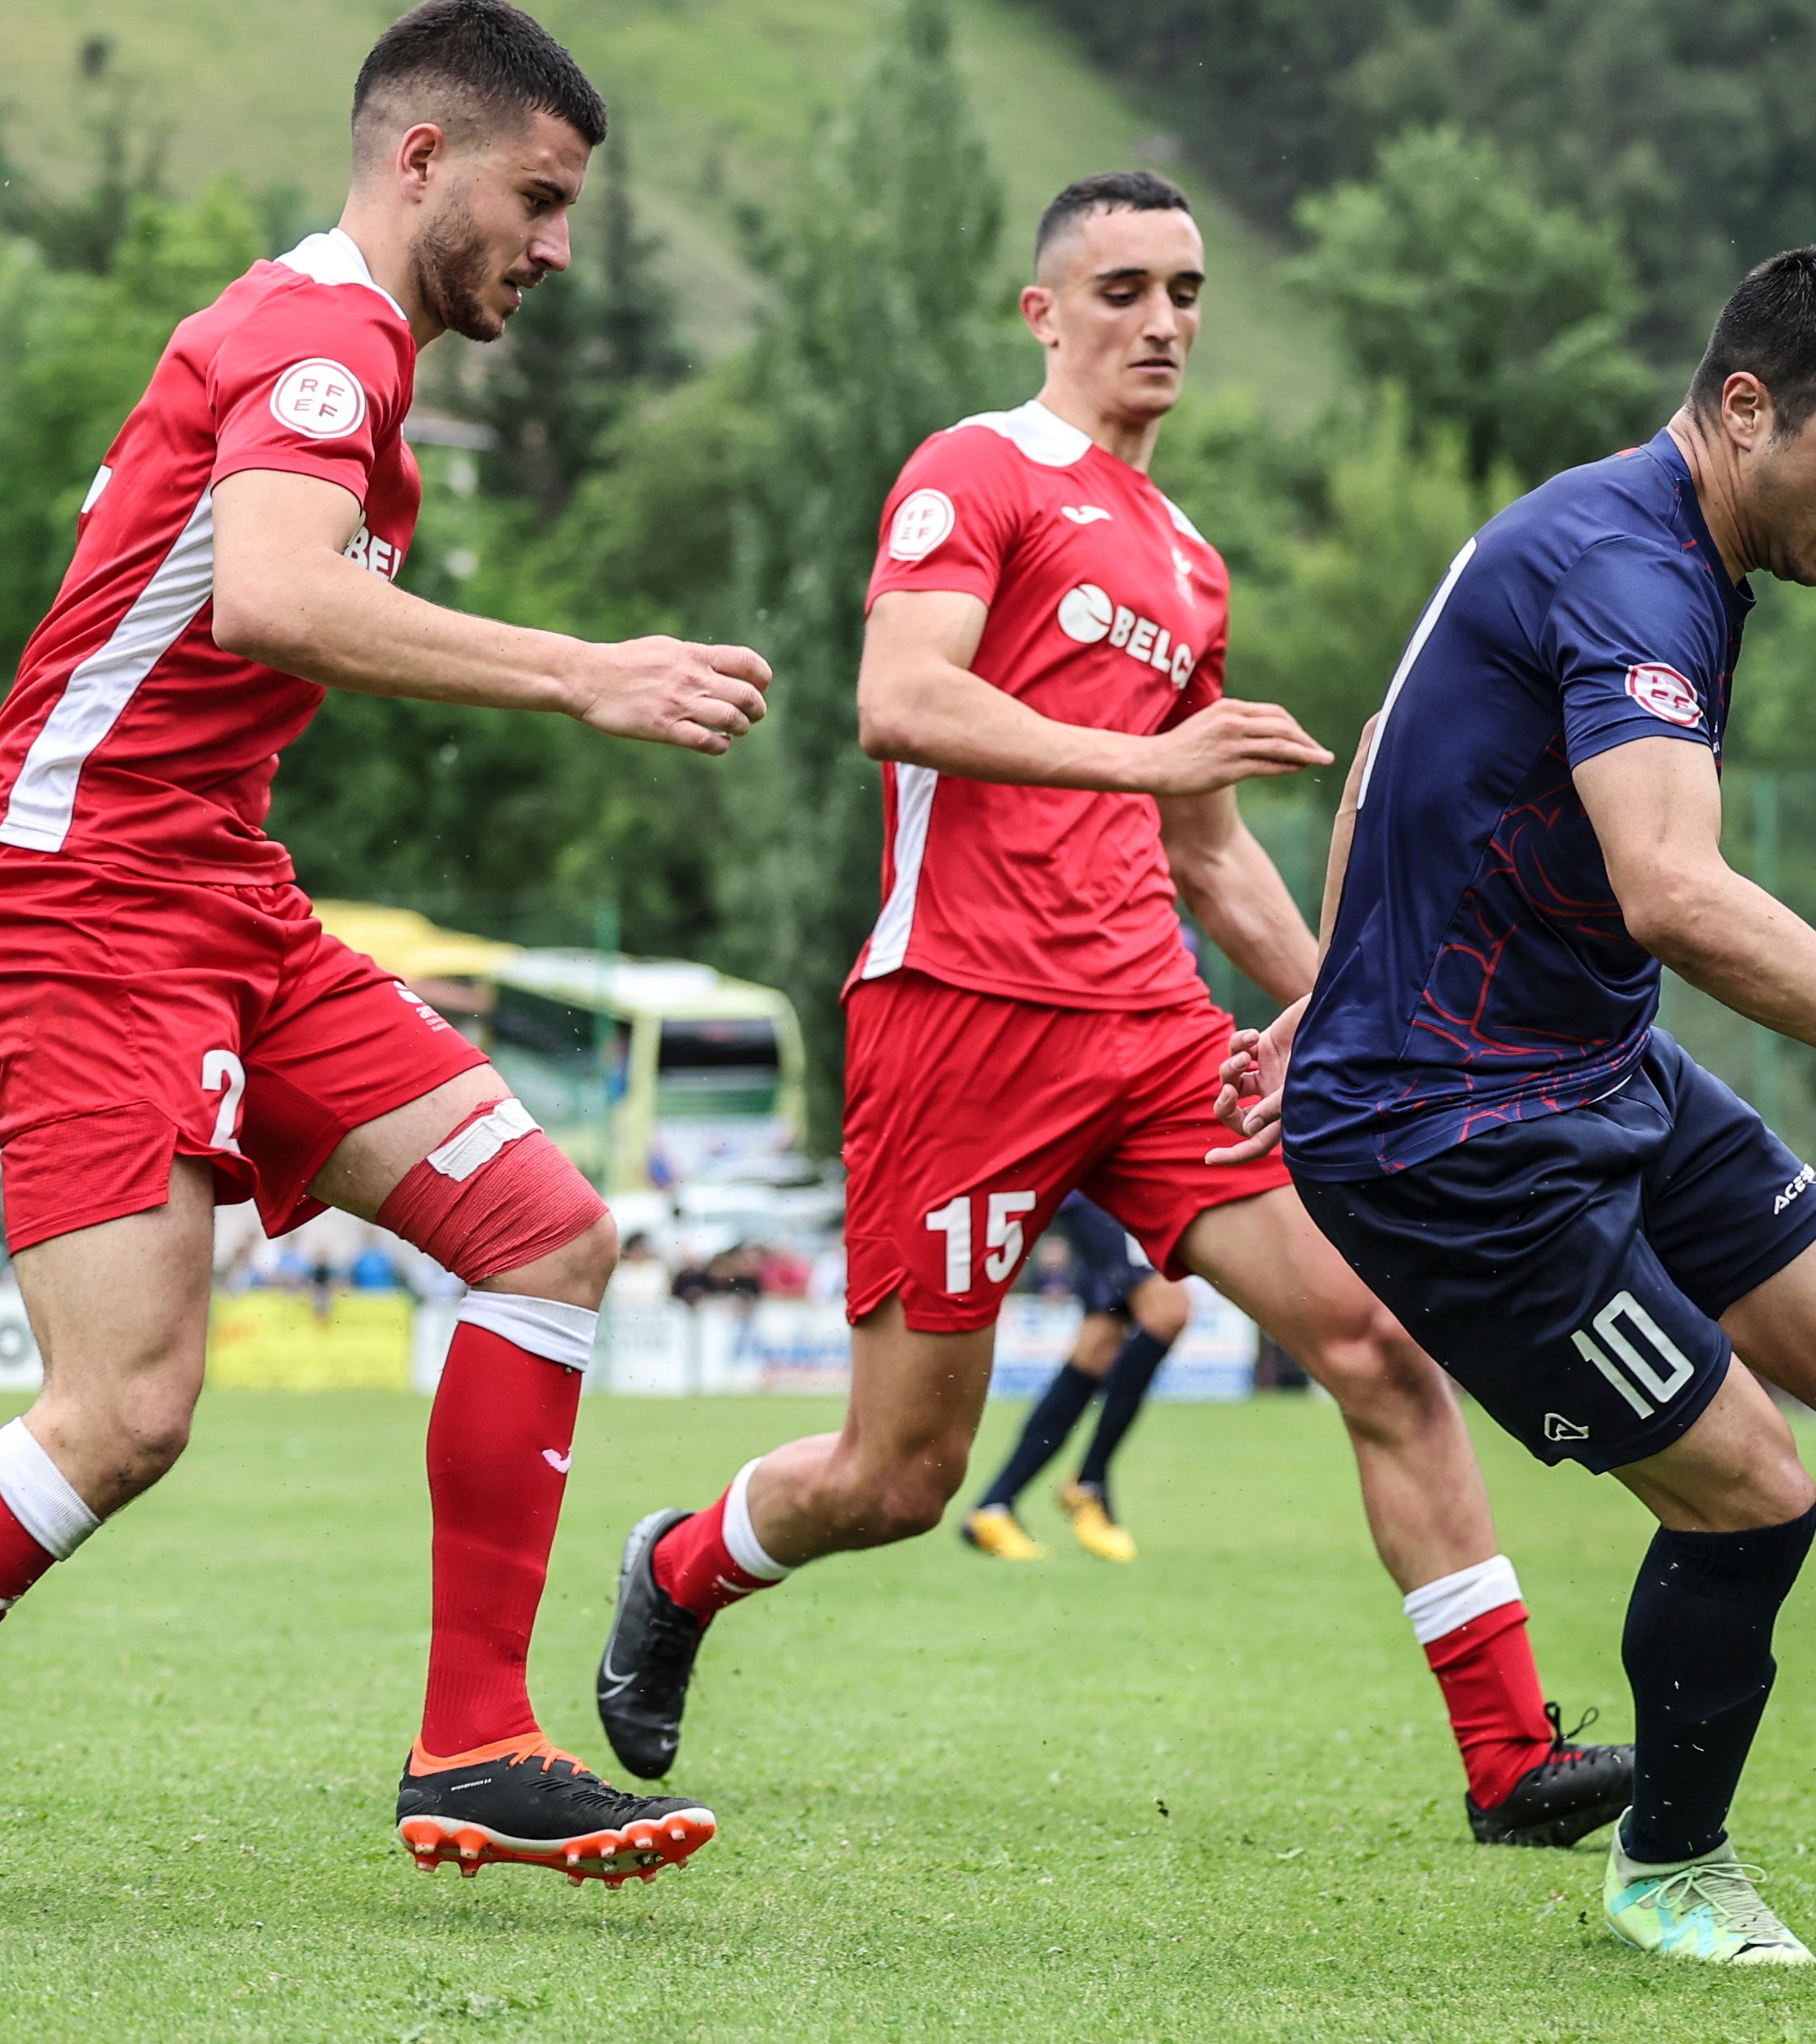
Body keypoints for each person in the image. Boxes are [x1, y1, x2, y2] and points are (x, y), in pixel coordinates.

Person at [590, 171, 1631, 1853]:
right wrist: (1152, 760)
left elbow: (1208, 847)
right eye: (1127, 288)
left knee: (1376, 1345)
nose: (1163, 322)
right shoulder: (975, 469)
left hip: (1157, 1040)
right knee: (901, 1479)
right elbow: (897, 699)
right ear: (1046, 312)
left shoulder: (1190, 563)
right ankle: (680, 1566)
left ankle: (1512, 1762)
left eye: (1189, 291)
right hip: (960, 1020)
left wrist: (1358, 1008)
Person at [0, 1, 770, 1930]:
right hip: (81, 898)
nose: (550, 246)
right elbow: (274, 594)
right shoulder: (318, 332)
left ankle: (470, 1741)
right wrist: (585, 670)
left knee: (544, 1232)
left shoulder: (335, 352)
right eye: (537, 201)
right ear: (419, 158)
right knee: (123, 1410)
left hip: (214, 896)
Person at [1217, 246, 1816, 1966]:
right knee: (1751, 1489)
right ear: (1744, 409)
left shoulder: (1643, 539)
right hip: (1447, 1141)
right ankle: (1667, 1866)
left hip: (1588, 1065)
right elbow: (1672, 888)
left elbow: (1383, 740)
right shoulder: (1634, 568)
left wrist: (1324, 976)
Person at [961, 1191, 1185, 1562]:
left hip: (1114, 1188)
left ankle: (994, 1507)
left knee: (1095, 1349)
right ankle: (1089, 1482)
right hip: (1101, 1190)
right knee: (1170, 1310)